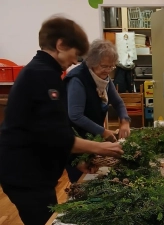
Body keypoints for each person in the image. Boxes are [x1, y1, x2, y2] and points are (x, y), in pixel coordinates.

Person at [0, 16, 123, 225]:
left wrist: (77, 160)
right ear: (60, 45)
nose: (76, 61)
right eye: (75, 54)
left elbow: (53, 130)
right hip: (26, 176)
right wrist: (101, 148)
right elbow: (57, 137)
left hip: (32, 174)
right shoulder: (42, 75)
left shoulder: (44, 72)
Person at [64, 39, 131, 183]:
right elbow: (75, 116)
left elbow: (118, 102)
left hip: (92, 140)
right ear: (91, 62)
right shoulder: (77, 79)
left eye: (111, 67)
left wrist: (124, 121)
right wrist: (104, 131)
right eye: (104, 66)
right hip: (75, 142)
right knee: (80, 183)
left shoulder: (103, 79)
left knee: (94, 179)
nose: (107, 71)